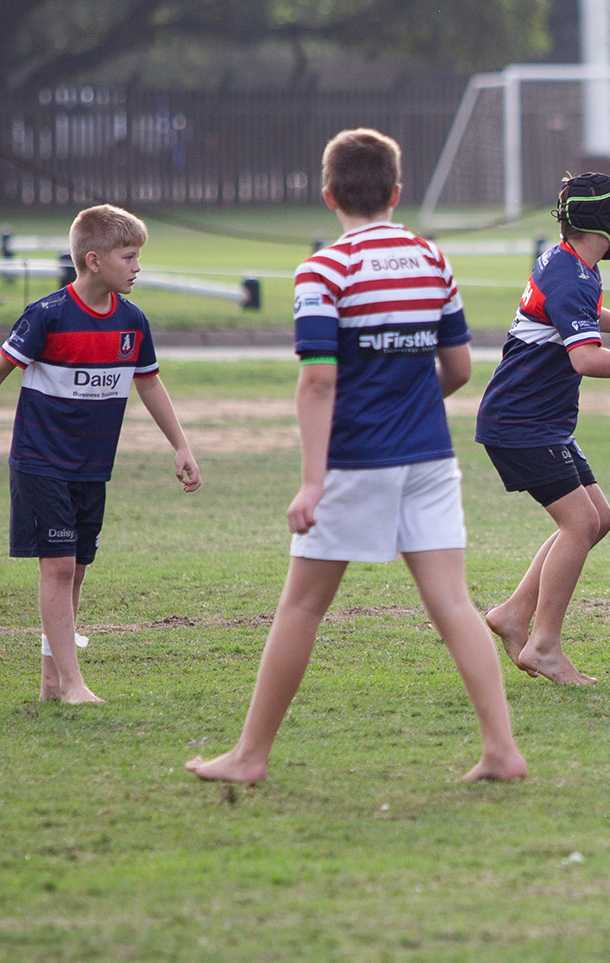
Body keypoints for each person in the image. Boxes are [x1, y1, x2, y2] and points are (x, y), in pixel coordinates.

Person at [187, 129, 525, 783]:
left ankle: (249, 758)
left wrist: (312, 483)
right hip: (430, 458)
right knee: (454, 605)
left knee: (301, 608)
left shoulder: (324, 270)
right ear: (397, 192)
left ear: (328, 195)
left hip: (356, 461)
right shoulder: (431, 259)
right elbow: (458, 368)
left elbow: (319, 381)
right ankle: (501, 751)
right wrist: (409, 405)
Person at [2, 204, 201, 704]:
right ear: (94, 260)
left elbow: (149, 383)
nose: (137, 267)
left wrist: (180, 445)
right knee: (58, 567)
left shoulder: (132, 321)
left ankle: (52, 681)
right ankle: (73, 684)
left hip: (93, 468)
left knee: (75, 570)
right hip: (41, 462)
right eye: (128, 257)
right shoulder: (46, 316)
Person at [477, 173, 610, 686]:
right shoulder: (572, 277)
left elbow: (581, 311)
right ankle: (544, 646)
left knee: (598, 519)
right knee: (579, 523)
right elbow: (587, 359)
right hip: (521, 424)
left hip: (542, 423)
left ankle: (513, 614)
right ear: (608, 224)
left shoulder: (568, 263)